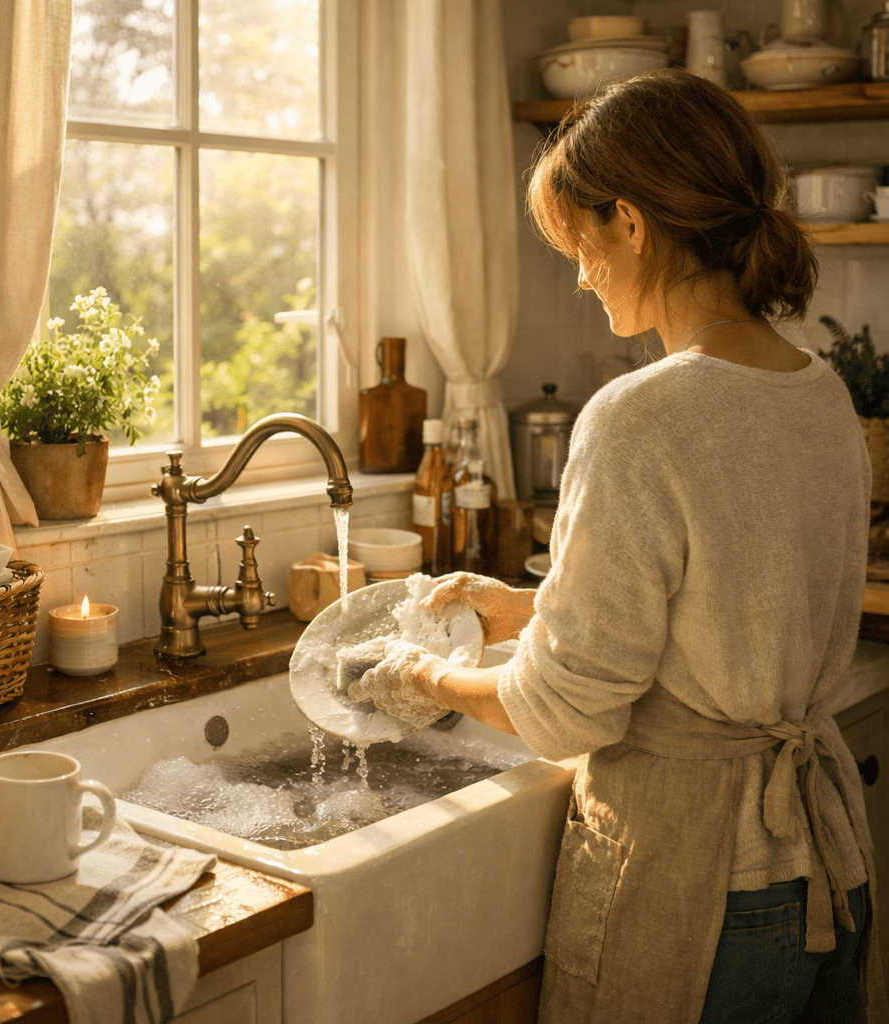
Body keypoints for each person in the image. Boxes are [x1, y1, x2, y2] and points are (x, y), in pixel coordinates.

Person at [348, 68, 888, 1024]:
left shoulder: (642, 416)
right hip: (822, 862)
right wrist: (532, 609)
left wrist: (416, 678)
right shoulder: (819, 393)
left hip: (702, 879)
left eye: (579, 242)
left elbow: (563, 713)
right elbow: (737, 604)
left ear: (631, 224)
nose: (580, 271)